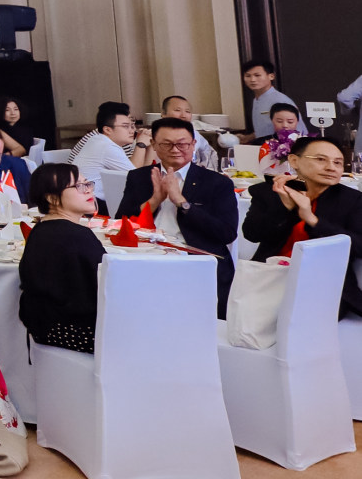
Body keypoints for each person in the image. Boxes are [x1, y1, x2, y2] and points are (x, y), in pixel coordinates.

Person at [110, 117, 238, 316]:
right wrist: (154, 201)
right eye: (166, 144)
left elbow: (226, 233)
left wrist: (182, 203)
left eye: (182, 144)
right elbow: (121, 223)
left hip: (195, 260)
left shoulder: (216, 182)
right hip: (146, 256)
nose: (175, 149)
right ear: (154, 145)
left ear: (193, 144)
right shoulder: (139, 177)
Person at [242, 137, 362, 318]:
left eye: (338, 163)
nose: (331, 167)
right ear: (294, 161)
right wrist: (286, 209)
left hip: (324, 286)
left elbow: (359, 246)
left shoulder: (352, 200)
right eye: (321, 159)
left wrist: (313, 220)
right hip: (268, 279)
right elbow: (251, 233)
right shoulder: (269, 192)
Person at [18, 164, 104, 352]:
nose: (88, 190)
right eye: (78, 186)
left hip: (46, 330)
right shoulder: (76, 235)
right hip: (78, 333)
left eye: (87, 183)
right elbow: (106, 285)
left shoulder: (40, 230)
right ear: (52, 198)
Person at [72, 102, 151, 208]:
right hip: (92, 203)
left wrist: (150, 145)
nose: (132, 130)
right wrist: (141, 145)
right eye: (125, 126)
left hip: (87, 199)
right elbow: (136, 177)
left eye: (132, 126)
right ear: (107, 129)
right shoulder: (106, 147)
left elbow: (142, 173)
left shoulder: (99, 140)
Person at [241, 59, 302, 139]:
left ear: (271, 76)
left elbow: (296, 131)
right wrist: (248, 138)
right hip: (263, 144)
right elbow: (266, 129)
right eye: (248, 76)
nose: (252, 80)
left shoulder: (280, 100)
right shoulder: (256, 99)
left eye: (257, 75)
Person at [159, 94, 214, 164]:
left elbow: (209, 153)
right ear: (163, 114)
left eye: (187, 111)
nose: (183, 115)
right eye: (177, 110)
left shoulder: (195, 134)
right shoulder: (156, 135)